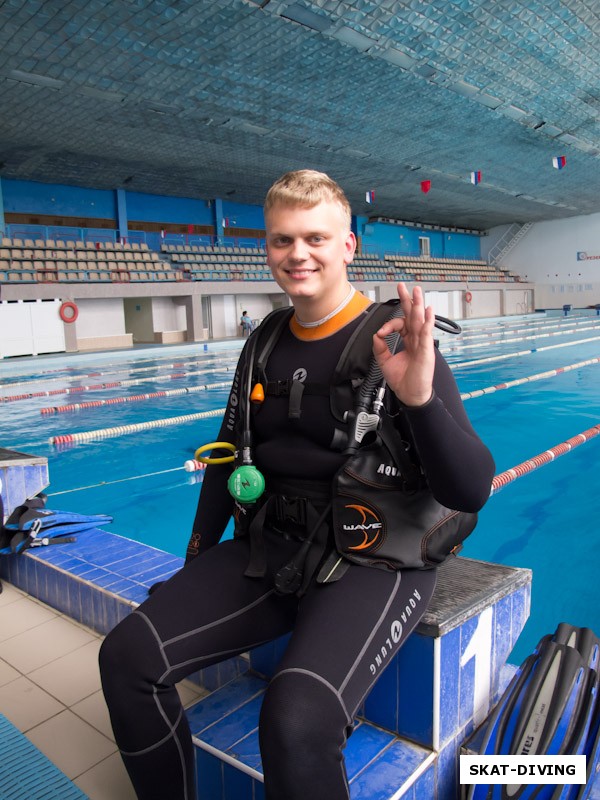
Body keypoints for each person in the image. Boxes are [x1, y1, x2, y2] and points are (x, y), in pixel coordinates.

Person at [99, 169, 495, 800]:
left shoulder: (393, 339)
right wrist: (194, 562)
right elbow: (228, 455)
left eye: (315, 237)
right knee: (126, 659)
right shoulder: (264, 341)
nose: (297, 254)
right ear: (268, 247)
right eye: (282, 240)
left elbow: (472, 488)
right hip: (272, 549)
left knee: (295, 720)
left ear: (347, 246)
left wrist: (417, 397)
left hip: (373, 562)